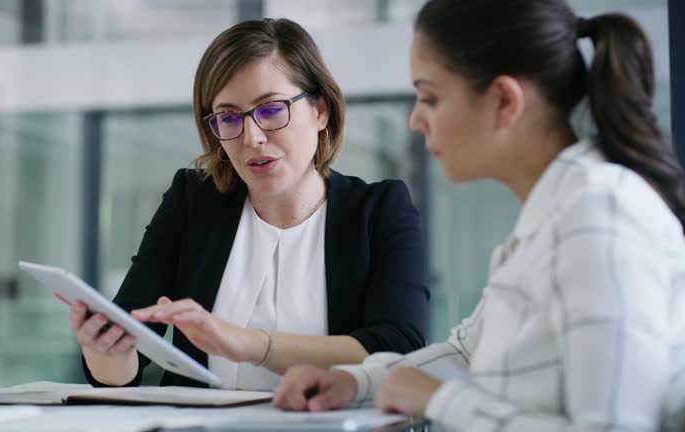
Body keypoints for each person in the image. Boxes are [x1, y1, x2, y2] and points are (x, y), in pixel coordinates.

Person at [273, 0, 685, 430]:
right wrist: (353, 382)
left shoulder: (599, 218)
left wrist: (442, 400)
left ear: (505, 100)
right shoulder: (553, 215)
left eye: (430, 97)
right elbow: (469, 352)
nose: (416, 121)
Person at [67, 18, 429, 391]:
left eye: (271, 110)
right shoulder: (192, 203)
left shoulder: (380, 210)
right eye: (228, 117)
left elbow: (398, 351)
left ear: (321, 110)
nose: (251, 137)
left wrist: (249, 344)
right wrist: (105, 350)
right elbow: (124, 364)